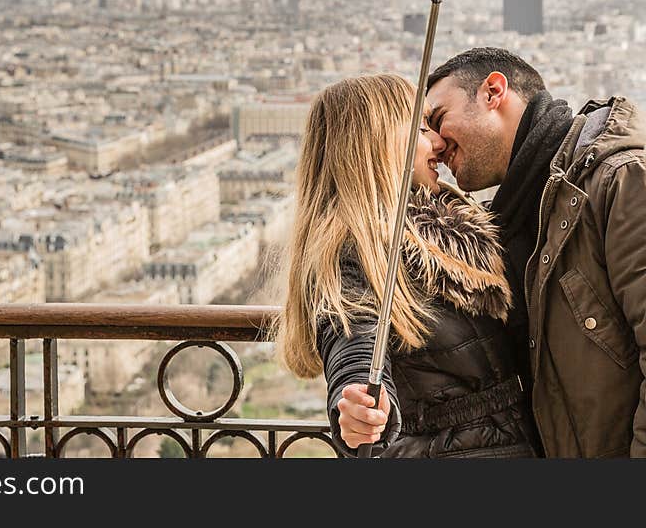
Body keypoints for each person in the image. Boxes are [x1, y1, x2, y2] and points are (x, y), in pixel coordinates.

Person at [274, 74, 538, 457]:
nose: (438, 141)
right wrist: (359, 407)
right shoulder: (354, 254)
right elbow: (354, 343)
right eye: (420, 127)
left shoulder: (446, 231)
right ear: (376, 144)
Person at [425, 47, 646, 457]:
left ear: (493, 91)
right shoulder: (522, 213)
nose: (435, 145)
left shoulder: (618, 179)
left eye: (438, 119)